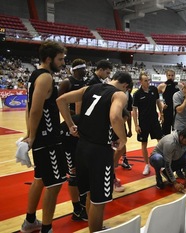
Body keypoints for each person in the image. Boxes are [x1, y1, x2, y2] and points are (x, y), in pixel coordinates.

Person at [57, 71, 132, 232]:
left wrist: (71, 125)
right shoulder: (119, 95)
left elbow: (61, 100)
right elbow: (115, 117)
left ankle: (95, 227)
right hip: (99, 152)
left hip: (82, 148)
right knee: (99, 201)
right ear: (125, 86)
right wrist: (123, 139)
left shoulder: (89, 88)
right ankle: (96, 229)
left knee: (91, 195)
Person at [21, 41, 67, 233]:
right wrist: (32, 137)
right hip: (48, 140)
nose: (63, 63)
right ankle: (46, 229)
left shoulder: (35, 75)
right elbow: (35, 109)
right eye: (60, 59)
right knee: (54, 184)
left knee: (39, 178)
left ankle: (30, 221)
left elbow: (29, 106)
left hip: (43, 137)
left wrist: (31, 133)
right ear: (49, 59)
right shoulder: (46, 77)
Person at [58, 58, 88, 221]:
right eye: (83, 69)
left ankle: (82, 204)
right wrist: (70, 120)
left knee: (82, 171)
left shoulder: (84, 83)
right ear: (76, 69)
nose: (85, 71)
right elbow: (58, 103)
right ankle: (77, 209)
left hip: (79, 127)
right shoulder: (66, 83)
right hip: (68, 130)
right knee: (74, 174)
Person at [133, 72, 163, 176]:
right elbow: (134, 110)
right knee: (144, 144)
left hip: (154, 121)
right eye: (146, 80)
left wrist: (162, 114)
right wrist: (136, 125)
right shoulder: (137, 94)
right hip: (143, 123)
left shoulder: (154, 90)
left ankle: (162, 162)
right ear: (140, 82)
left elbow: (158, 102)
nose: (148, 82)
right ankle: (147, 165)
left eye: (149, 80)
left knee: (160, 141)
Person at [157, 69, 180, 135]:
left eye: (172, 75)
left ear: (174, 76)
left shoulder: (179, 85)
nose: (170, 77)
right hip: (166, 111)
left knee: (176, 132)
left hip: (176, 111)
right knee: (165, 132)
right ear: (166, 76)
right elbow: (157, 98)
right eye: (169, 75)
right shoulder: (162, 86)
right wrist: (161, 104)